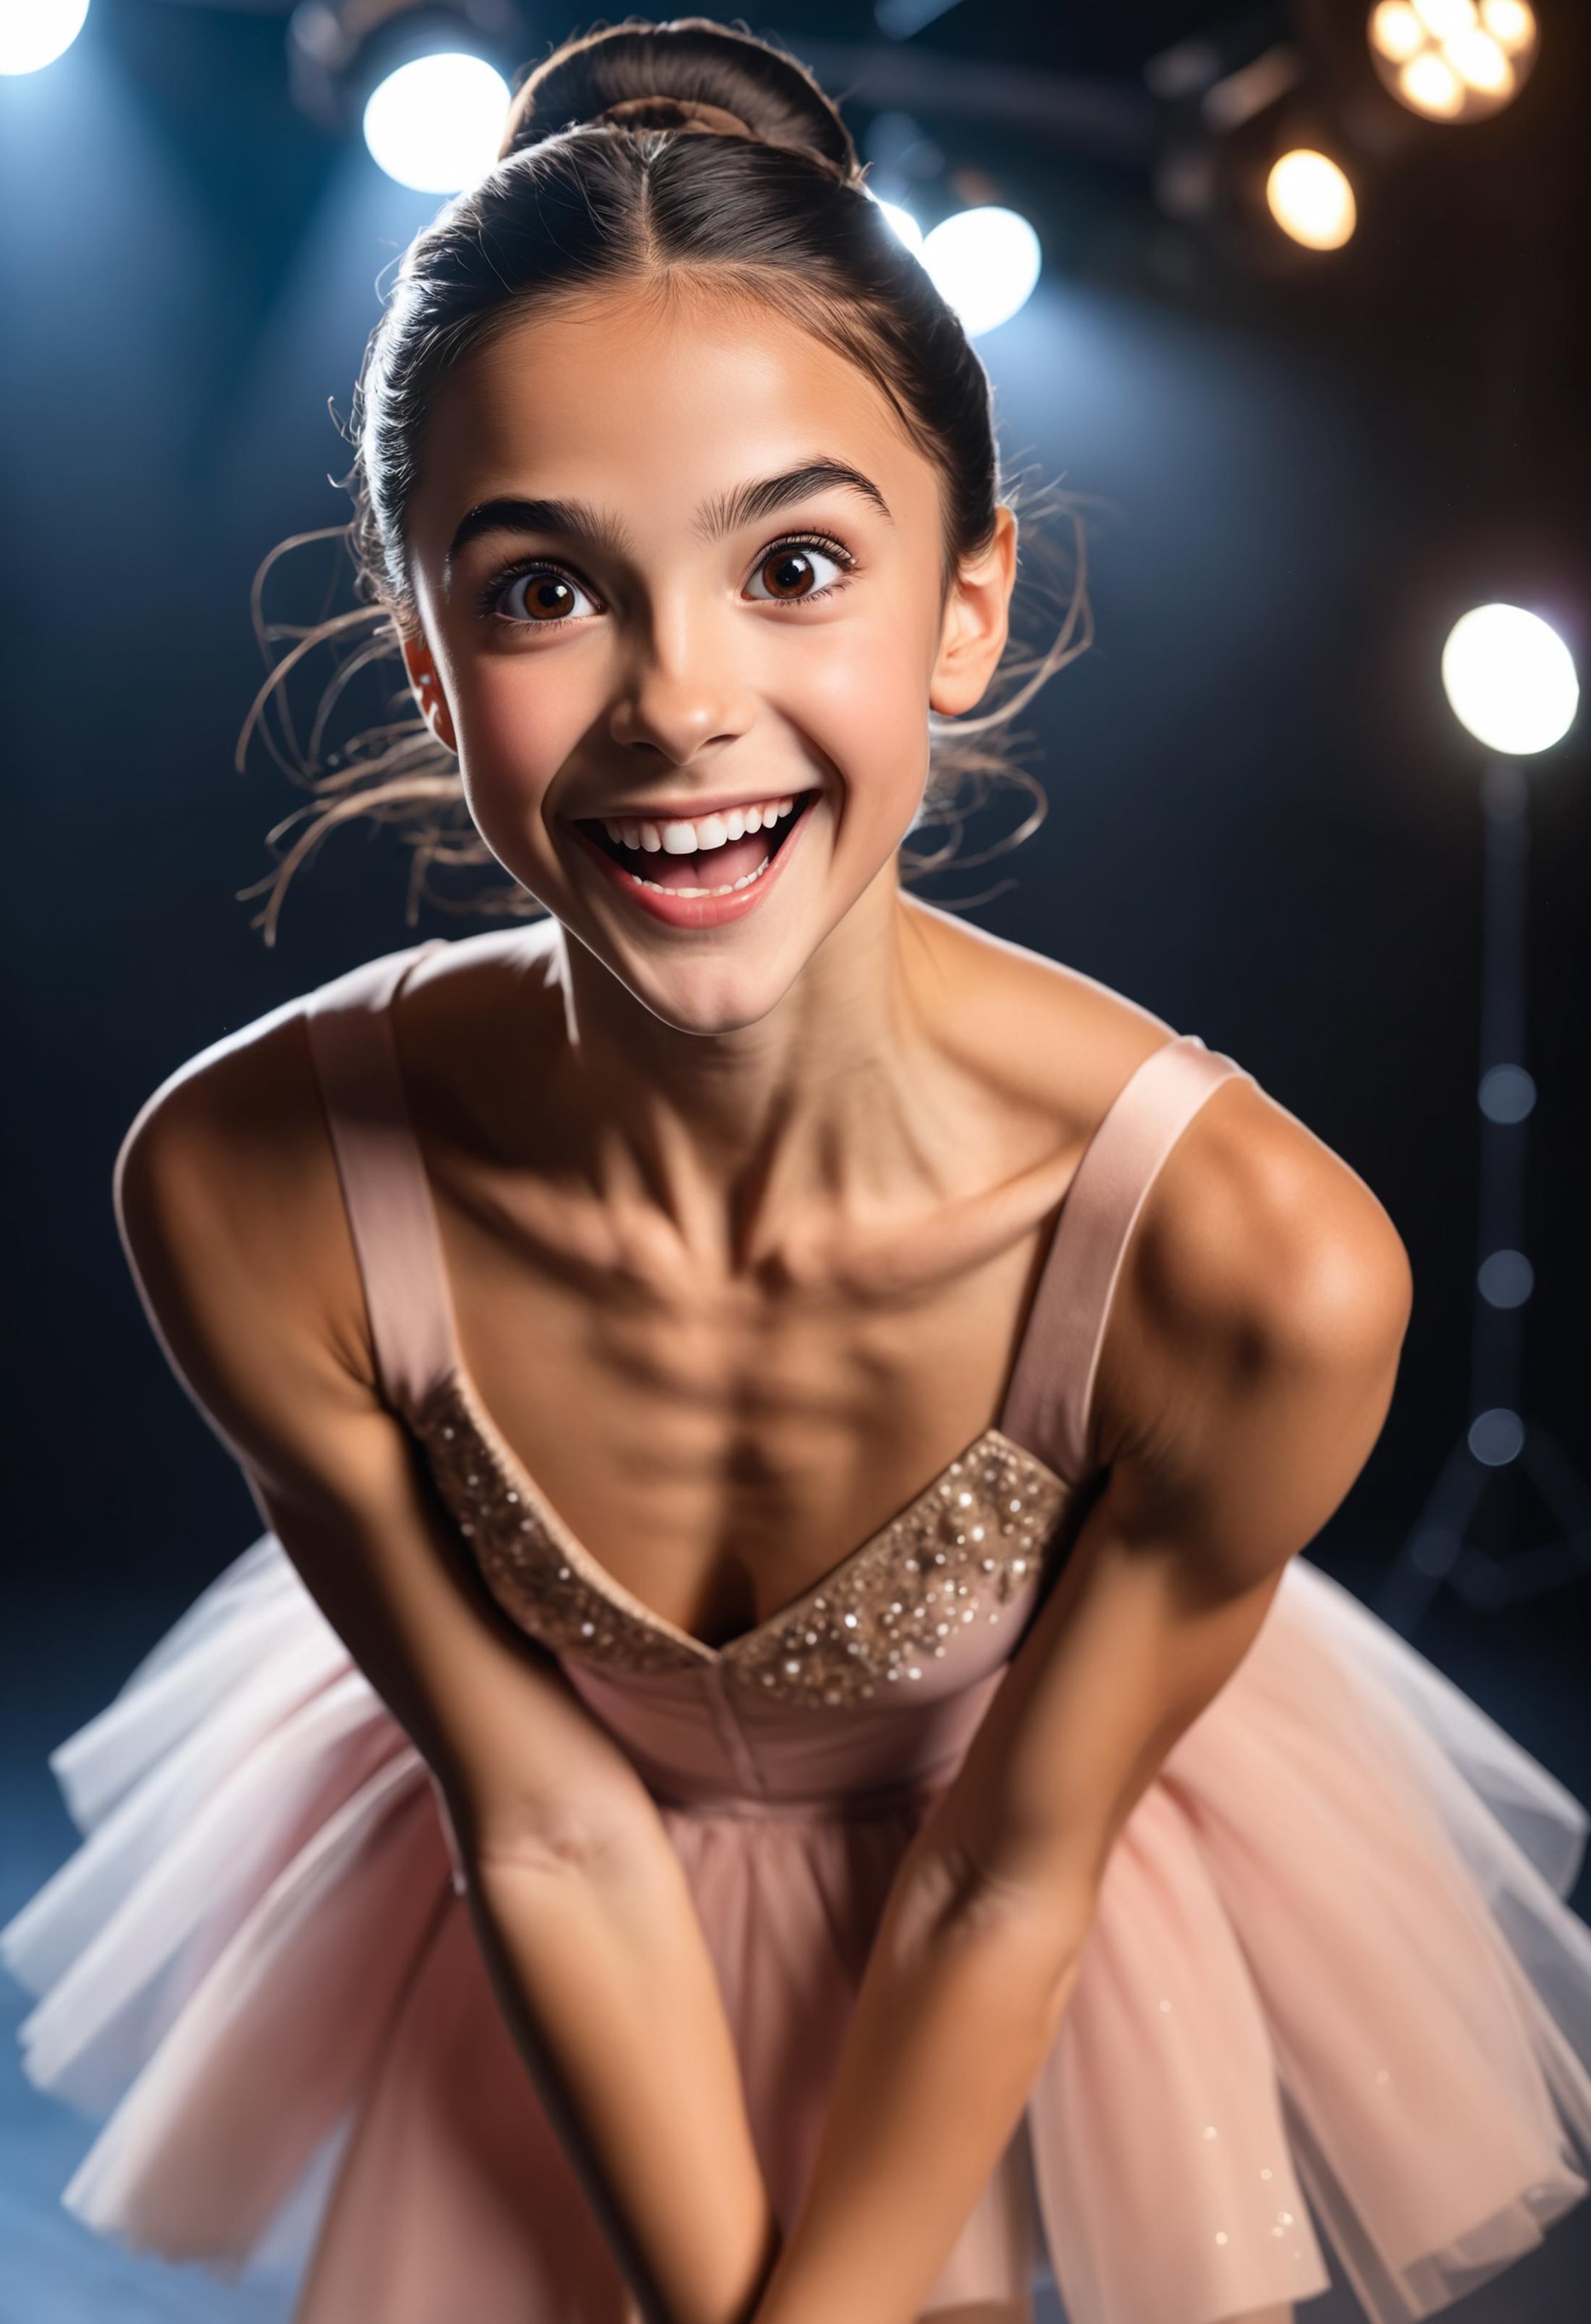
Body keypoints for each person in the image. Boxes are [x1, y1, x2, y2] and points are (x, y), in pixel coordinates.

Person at [5, 19, 1590, 2324]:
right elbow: (542, 1821)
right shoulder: (247, 1191)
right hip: (557, 1909)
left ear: (966, 600)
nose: (677, 704)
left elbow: (998, 1890)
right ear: (432, 670)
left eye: (799, 565)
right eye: (545, 589)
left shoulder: (1252, 1272)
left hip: (1018, 1906)